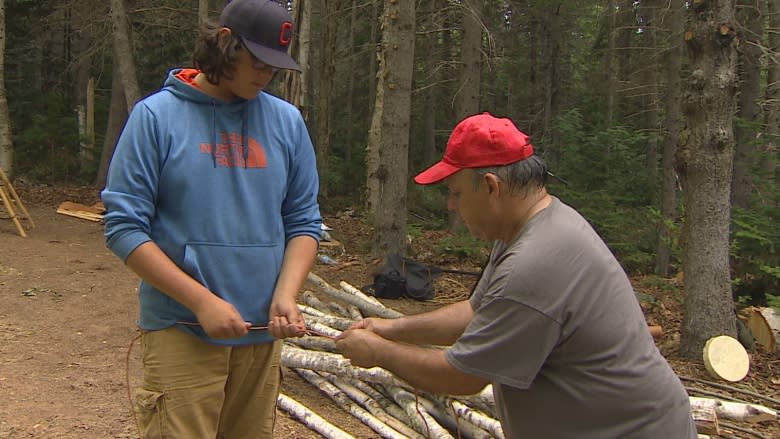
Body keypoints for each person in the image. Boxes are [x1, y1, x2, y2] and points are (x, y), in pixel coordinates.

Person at [335, 112, 697, 438]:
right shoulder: (525, 230)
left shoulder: (536, 261)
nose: (451, 205)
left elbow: (462, 376)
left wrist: (379, 352)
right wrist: (389, 328)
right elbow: (477, 312)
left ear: (492, 187)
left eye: (456, 193)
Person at [101, 0, 321, 437]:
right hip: (182, 330)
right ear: (225, 42)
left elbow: (303, 221)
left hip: (260, 334)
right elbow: (124, 228)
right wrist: (201, 301)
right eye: (257, 61)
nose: (266, 74)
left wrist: (286, 293)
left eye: (275, 66)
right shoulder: (155, 117)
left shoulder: (287, 122)